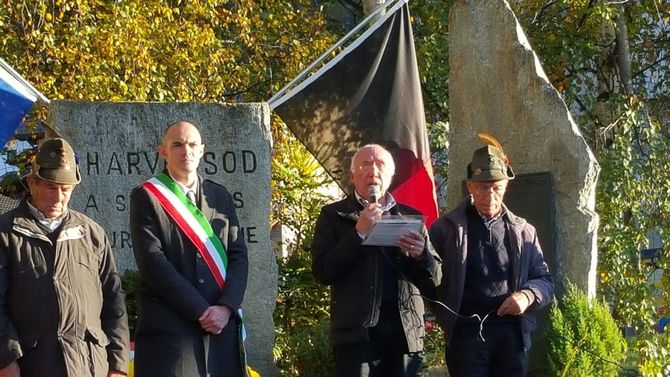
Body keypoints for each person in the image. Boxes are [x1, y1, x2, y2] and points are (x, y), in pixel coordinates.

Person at [0, 138, 130, 377]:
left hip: (90, 366)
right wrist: (5, 360)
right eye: (51, 187)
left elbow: (114, 302)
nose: (58, 197)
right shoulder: (6, 233)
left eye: (65, 189)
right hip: (31, 366)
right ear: (32, 183)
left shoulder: (92, 233)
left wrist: (118, 366)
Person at [311, 144, 442, 377]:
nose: (373, 171)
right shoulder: (333, 215)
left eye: (380, 164)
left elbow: (437, 280)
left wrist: (422, 255)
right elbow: (322, 271)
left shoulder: (409, 217)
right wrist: (358, 234)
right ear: (352, 176)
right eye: (365, 164)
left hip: (403, 335)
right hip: (356, 336)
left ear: (391, 176)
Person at [129, 121, 248, 377]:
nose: (187, 151)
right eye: (178, 145)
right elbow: (153, 261)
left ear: (202, 150)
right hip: (171, 331)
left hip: (221, 329)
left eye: (193, 144)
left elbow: (238, 255)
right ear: (163, 152)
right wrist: (201, 311)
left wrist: (226, 308)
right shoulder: (146, 197)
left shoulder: (220, 196)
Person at [429, 141, 554, 377]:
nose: (489, 195)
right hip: (465, 335)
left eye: (496, 187)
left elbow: (544, 280)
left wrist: (527, 296)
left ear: (506, 186)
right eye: (482, 188)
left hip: (510, 334)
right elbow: (426, 279)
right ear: (470, 186)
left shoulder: (524, 230)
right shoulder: (444, 229)